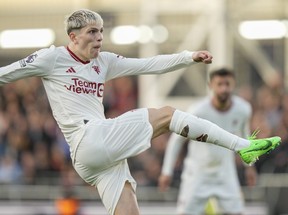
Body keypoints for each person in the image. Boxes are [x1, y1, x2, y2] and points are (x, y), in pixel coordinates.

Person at [0, 9, 281, 215]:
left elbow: (149, 64)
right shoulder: (51, 58)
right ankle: (242, 145)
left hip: (98, 155)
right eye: (92, 32)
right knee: (168, 114)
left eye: (101, 31)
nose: (99, 38)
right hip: (88, 139)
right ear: (73, 37)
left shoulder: (104, 61)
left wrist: (188, 57)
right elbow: (5, 74)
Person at [158, 68, 258, 215]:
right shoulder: (197, 111)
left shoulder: (243, 109)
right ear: (210, 85)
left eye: (227, 84)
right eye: (219, 84)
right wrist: (167, 171)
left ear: (233, 84)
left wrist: (250, 167)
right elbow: (176, 140)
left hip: (225, 173)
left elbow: (245, 136)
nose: (224, 88)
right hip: (197, 175)